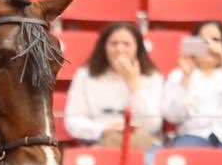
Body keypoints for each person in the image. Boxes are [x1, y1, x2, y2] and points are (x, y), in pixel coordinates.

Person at [161, 20, 222, 165]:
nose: (208, 45)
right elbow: (172, 116)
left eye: (215, 40)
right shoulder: (178, 75)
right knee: (188, 164)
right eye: (202, 41)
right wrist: (186, 77)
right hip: (192, 135)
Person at [64, 22, 164, 153]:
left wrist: (133, 83)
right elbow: (73, 119)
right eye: (114, 44)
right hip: (100, 141)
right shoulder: (85, 75)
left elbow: (152, 124)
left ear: (138, 48)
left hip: (141, 143)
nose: (119, 50)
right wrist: (102, 130)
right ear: (104, 47)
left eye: (126, 44)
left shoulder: (152, 77)